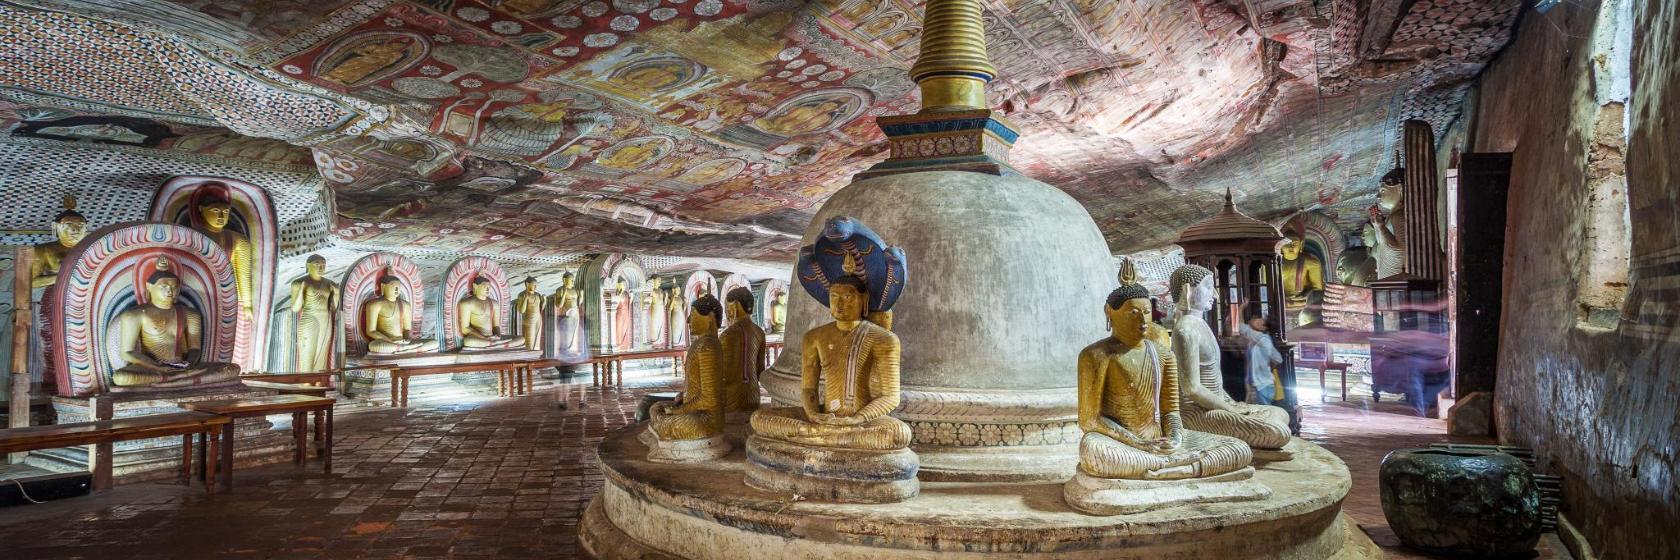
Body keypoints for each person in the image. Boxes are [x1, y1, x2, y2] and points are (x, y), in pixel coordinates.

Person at [1240, 316, 1285, 407]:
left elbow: (1242, 327)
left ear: (1264, 328)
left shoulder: (1262, 339)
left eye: (1261, 320)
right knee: (1256, 415)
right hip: (1257, 385)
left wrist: (1241, 308)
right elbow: (1278, 358)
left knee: (1261, 416)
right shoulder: (1261, 340)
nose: (1257, 319)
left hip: (1261, 386)